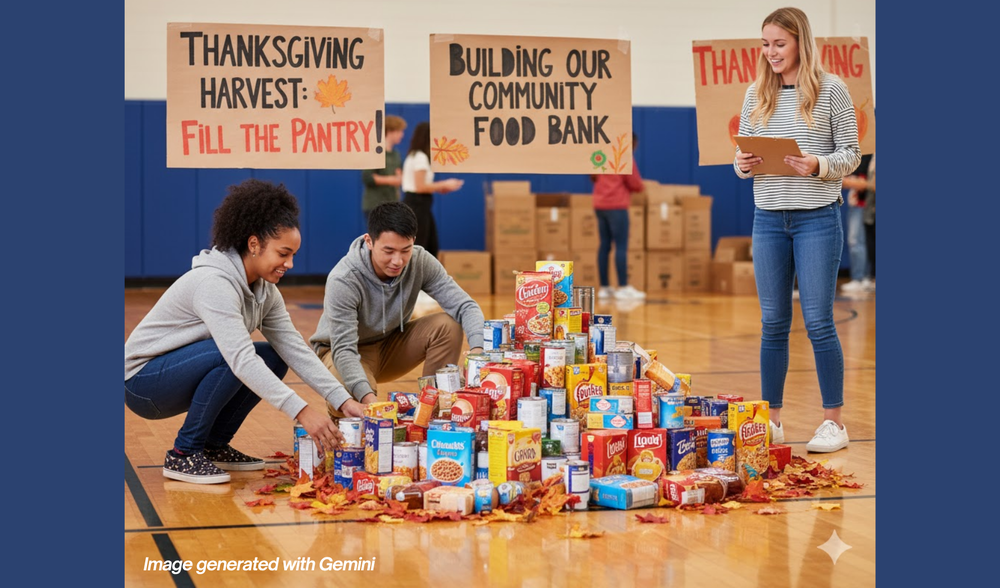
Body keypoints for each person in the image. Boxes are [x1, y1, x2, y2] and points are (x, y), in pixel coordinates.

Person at [125, 179, 367, 484]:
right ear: (254, 245)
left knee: (273, 356)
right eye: (283, 253)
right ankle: (183, 453)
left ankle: (214, 445)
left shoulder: (265, 290)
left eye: (293, 255)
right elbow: (239, 358)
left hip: (176, 374)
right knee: (233, 357)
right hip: (142, 383)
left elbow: (295, 348)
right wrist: (302, 411)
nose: (290, 263)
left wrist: (344, 400)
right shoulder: (214, 284)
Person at [733, 7, 861, 453]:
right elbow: (742, 154)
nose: (770, 52)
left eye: (779, 44)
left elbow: (851, 154)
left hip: (816, 220)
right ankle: (773, 421)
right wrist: (743, 164)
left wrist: (818, 164)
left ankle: (834, 423)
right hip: (768, 219)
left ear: (800, 43)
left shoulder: (832, 90)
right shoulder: (756, 95)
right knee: (772, 323)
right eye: (765, 44)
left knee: (819, 322)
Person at [310, 201, 485, 418]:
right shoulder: (344, 279)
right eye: (389, 250)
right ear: (369, 241)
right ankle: (346, 425)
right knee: (352, 397)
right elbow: (344, 350)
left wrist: (478, 353)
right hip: (342, 351)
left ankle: (433, 415)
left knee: (448, 326)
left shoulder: (420, 260)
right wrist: (370, 401)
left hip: (390, 344)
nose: (397, 260)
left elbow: (465, 305)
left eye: (405, 250)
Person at [591, 132, 645, 301]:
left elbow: (592, 175)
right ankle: (622, 287)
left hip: (599, 204)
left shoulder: (601, 155)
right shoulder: (624, 157)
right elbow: (636, 184)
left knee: (604, 246)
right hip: (617, 206)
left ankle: (605, 288)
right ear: (631, 144)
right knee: (621, 246)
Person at [401, 121, 464, 260]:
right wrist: (444, 184)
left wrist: (439, 188)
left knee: (430, 246)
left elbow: (423, 186)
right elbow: (420, 187)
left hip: (420, 205)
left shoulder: (415, 156)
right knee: (420, 247)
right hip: (416, 205)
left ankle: (425, 279)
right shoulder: (420, 158)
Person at [361, 115, 407, 222]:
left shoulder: (396, 154)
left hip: (392, 204)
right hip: (375, 204)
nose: (402, 135)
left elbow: (400, 175)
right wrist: (392, 180)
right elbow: (367, 177)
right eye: (400, 131)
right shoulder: (376, 152)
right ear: (390, 131)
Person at [840, 153, 874, 292]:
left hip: (863, 204)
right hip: (858, 203)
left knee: (857, 241)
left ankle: (860, 277)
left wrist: (849, 181)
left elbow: (865, 183)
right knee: (859, 241)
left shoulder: (867, 157)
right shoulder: (858, 157)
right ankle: (863, 277)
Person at [862, 154, 875, 288]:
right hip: (870, 209)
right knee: (870, 244)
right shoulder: (871, 158)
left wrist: (861, 183)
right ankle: (871, 277)